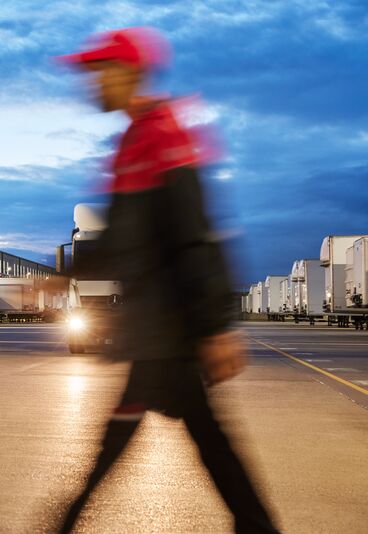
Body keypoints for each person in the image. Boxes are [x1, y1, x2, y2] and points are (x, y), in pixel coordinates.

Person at [57, 28, 279, 533]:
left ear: (127, 72)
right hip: (157, 333)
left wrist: (217, 326)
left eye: (99, 72)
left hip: (169, 335)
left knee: (130, 447)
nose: (92, 83)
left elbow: (195, 235)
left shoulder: (164, 136)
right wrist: (57, 278)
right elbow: (116, 242)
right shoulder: (132, 142)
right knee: (208, 445)